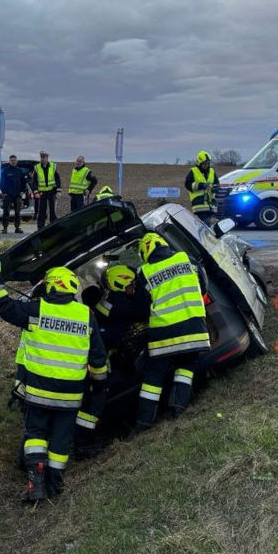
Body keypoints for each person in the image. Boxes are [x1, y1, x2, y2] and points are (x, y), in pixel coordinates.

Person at [0, 261, 108, 501]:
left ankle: (36, 484)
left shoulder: (36, 310)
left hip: (39, 391)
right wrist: (99, 384)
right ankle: (54, 485)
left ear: (51, 286)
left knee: (36, 434)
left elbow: (4, 306)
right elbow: (98, 356)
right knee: (61, 440)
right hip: (71, 395)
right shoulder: (86, 315)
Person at [133, 232, 211, 431]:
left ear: (145, 253)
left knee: (154, 376)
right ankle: (178, 407)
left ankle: (144, 422)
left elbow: (141, 306)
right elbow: (203, 285)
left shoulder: (145, 272)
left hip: (163, 335)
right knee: (187, 365)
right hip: (195, 329)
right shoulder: (186, 259)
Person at [93, 264, 147, 351]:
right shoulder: (120, 303)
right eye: (131, 284)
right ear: (119, 285)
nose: (134, 286)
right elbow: (142, 313)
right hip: (122, 346)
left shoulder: (111, 296)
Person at [184, 151, 219, 223]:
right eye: (204, 164)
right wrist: (201, 185)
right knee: (205, 223)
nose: (206, 165)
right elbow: (188, 184)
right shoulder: (193, 171)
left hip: (210, 204)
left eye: (208, 163)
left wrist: (215, 188)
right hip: (199, 204)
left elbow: (216, 184)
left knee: (209, 224)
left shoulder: (212, 171)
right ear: (199, 163)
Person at [0, 154, 28, 234]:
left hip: (17, 195)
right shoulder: (5, 171)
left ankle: (17, 228)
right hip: (8, 195)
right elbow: (1, 182)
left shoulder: (19, 171)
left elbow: (23, 182)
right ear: (9, 161)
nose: (13, 162)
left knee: (17, 212)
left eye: (15, 160)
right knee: (6, 212)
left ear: (16, 161)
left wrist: (22, 191)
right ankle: (5, 228)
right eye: (12, 160)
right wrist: (4, 193)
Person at [31, 151, 60, 229]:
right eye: (42, 157)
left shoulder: (53, 166)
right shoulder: (37, 168)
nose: (43, 159)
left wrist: (58, 190)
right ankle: (40, 227)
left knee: (52, 210)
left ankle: (53, 226)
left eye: (44, 157)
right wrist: (36, 192)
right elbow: (34, 181)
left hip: (52, 191)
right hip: (42, 192)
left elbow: (57, 179)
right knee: (41, 211)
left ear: (47, 158)